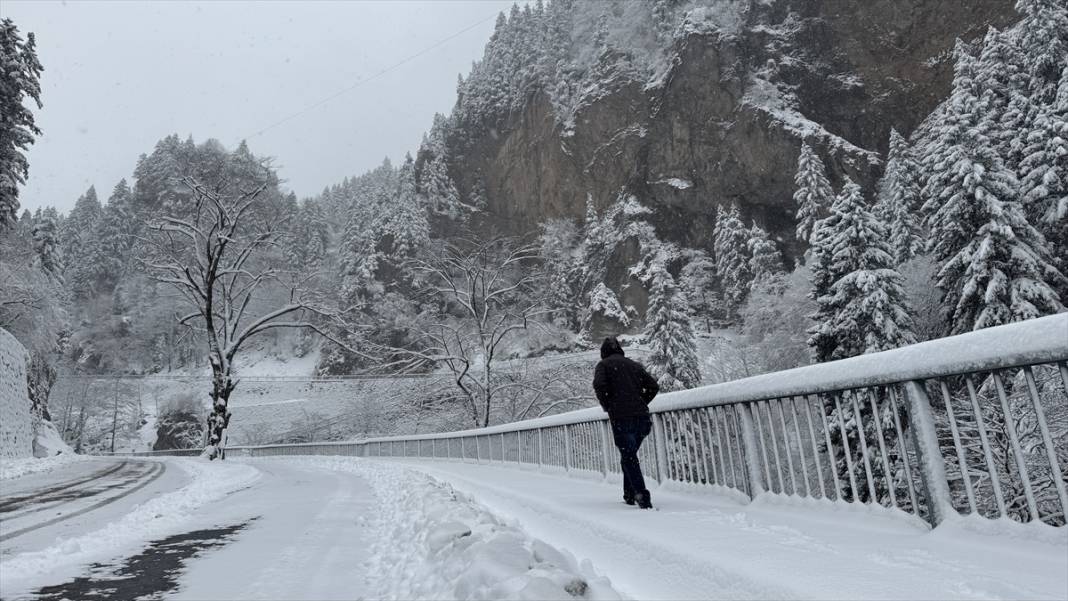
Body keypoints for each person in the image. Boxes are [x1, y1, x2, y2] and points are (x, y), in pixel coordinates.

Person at [593, 336, 659, 509]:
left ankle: (642, 495)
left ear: (603, 352)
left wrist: (609, 406)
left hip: (622, 418)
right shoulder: (634, 365)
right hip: (642, 419)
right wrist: (641, 402)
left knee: (628, 456)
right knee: (629, 455)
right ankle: (629, 494)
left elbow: (599, 386)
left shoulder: (604, 365)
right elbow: (653, 386)